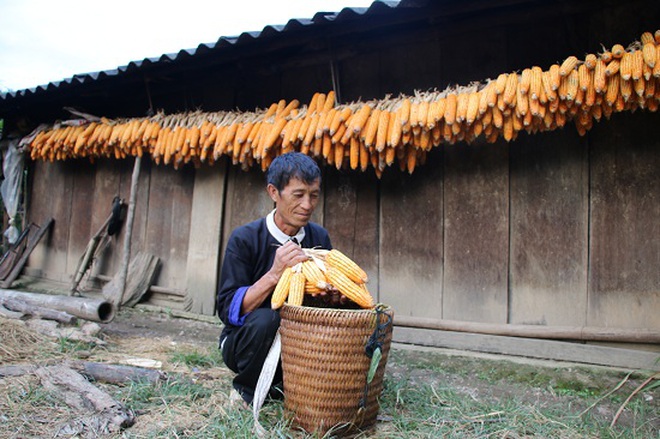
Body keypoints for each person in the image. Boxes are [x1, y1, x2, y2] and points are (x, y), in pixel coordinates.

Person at [216, 152, 333, 406]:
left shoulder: (319, 239)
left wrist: (331, 295)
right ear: (273, 192)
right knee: (269, 317)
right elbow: (227, 310)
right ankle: (246, 391)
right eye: (298, 195)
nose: (307, 205)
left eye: (314, 195)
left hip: (297, 346)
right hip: (244, 345)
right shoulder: (245, 239)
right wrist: (274, 274)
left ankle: (287, 384)